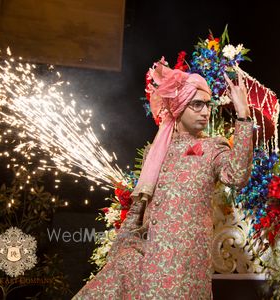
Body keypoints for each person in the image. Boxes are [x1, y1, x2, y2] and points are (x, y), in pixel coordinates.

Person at [73, 60, 254, 299]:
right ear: (178, 107)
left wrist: (243, 116)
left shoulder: (212, 148)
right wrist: (123, 247)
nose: (205, 112)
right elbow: (141, 206)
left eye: (208, 105)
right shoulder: (155, 150)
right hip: (146, 260)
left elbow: (238, 175)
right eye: (197, 105)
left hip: (183, 267)